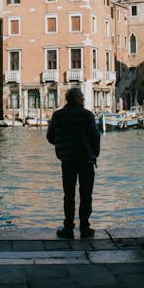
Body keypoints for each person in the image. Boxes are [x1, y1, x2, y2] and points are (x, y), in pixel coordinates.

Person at [46, 87, 100, 239]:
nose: (83, 99)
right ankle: (85, 228)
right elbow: (95, 137)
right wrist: (94, 153)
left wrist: (62, 145)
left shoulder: (58, 116)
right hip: (86, 159)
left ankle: (68, 228)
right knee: (86, 195)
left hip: (67, 159)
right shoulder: (87, 115)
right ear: (76, 99)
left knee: (68, 195)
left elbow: (50, 137)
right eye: (81, 97)